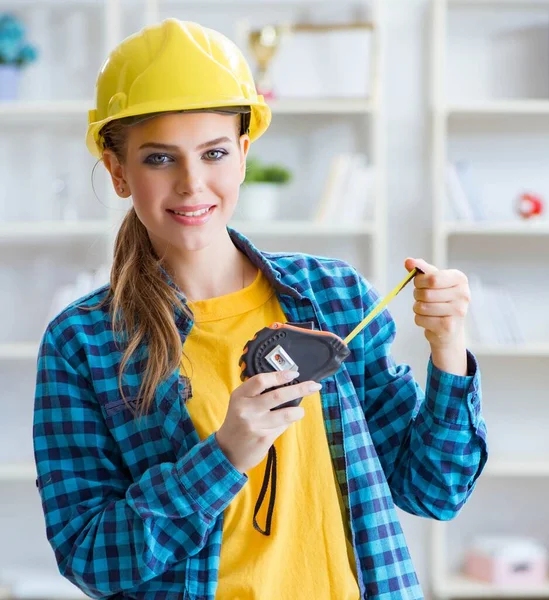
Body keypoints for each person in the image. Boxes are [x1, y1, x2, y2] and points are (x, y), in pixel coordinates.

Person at [33, 18, 488, 600]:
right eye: (159, 159)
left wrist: (448, 348)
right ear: (118, 170)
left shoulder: (333, 296)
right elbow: (90, 558)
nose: (193, 184)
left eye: (214, 153)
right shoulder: (84, 342)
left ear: (244, 155)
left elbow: (433, 489)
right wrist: (222, 458)